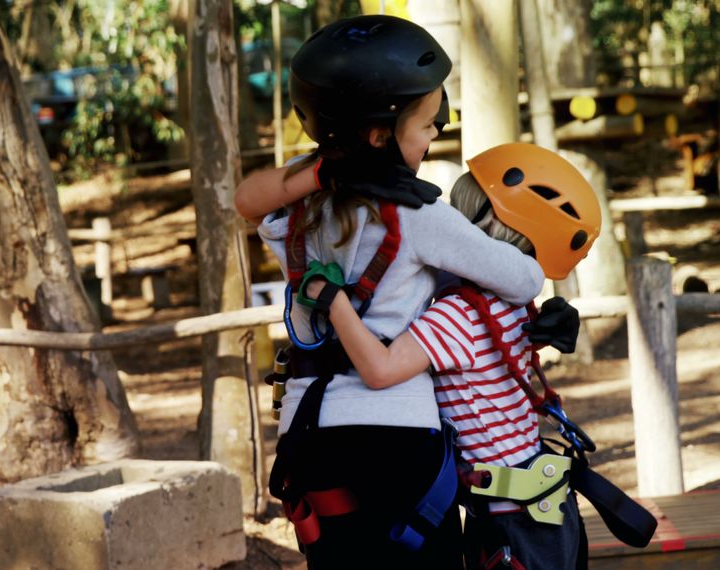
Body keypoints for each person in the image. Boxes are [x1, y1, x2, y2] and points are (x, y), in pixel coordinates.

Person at [235, 15, 548, 569]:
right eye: (427, 125)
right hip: (396, 438)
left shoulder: (300, 198)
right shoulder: (421, 213)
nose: (434, 136)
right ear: (380, 134)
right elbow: (524, 278)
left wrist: (323, 172)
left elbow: (245, 200)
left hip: (308, 437)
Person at [303, 142, 602, 569]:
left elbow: (380, 370)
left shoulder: (457, 314)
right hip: (538, 507)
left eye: (460, 212)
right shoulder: (510, 303)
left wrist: (333, 301)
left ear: (486, 225)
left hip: (511, 521)